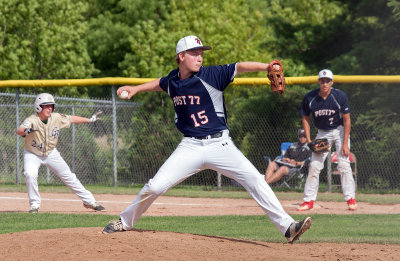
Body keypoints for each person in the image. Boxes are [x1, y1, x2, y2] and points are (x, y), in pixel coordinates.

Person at [102, 35, 311, 243]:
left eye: (201, 53)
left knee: (255, 180)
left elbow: (239, 67)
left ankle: (288, 227)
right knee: (155, 186)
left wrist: (265, 66)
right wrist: (136, 89)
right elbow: (161, 83)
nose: (200, 57)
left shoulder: (212, 75)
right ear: (181, 56)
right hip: (190, 146)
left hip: (220, 144)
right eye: (194, 53)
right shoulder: (173, 80)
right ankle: (125, 221)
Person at [16, 93, 105, 213]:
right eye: (46, 106)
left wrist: (89, 120)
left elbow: (71, 118)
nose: (49, 108)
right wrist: (26, 130)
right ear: (38, 107)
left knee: (68, 176)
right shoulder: (31, 120)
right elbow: (19, 130)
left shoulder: (56, 117)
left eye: (51, 106)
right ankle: (34, 205)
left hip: (51, 153)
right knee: (30, 174)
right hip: (32, 154)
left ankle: (90, 202)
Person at [298, 69, 357, 211]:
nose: (325, 84)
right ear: (319, 82)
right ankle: (308, 201)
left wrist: (344, 144)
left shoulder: (339, 96)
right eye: (322, 81)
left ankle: (350, 198)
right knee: (314, 166)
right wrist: (310, 139)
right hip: (322, 133)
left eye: (327, 81)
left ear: (332, 82)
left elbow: (347, 119)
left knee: (343, 164)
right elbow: (305, 118)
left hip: (339, 131)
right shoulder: (310, 98)